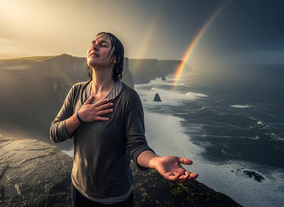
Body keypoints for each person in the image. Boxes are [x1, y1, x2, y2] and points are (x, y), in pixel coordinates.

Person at [50, 32, 198, 206]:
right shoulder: (77, 91)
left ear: (116, 59)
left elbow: (136, 145)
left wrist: (156, 161)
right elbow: (55, 133)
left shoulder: (128, 98)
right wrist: (80, 117)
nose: (94, 46)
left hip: (114, 198)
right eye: (93, 43)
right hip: (79, 189)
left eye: (103, 44)